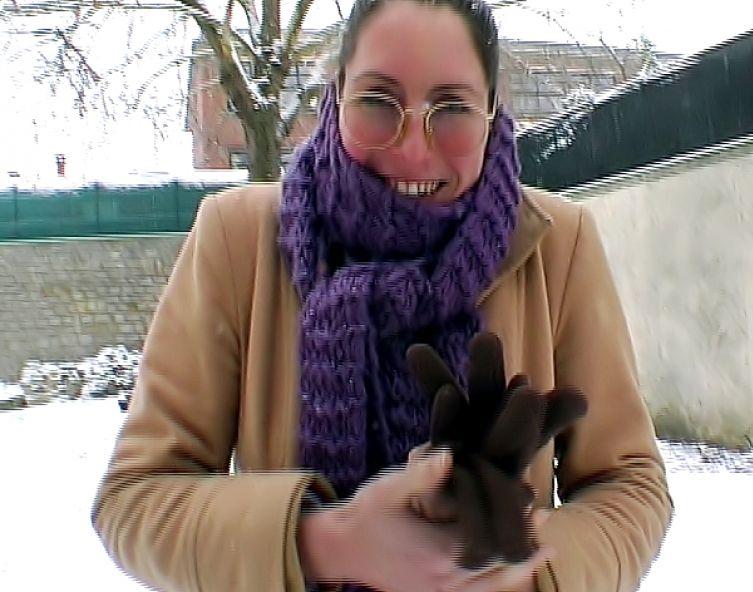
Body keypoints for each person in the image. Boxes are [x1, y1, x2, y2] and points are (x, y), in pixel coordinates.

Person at [91, 0, 673, 590]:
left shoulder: (559, 244)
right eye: (377, 101)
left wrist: (522, 573)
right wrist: (331, 542)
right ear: (336, 97)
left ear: (493, 113)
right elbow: (136, 497)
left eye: (452, 107)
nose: (413, 150)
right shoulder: (237, 238)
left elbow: (629, 487)